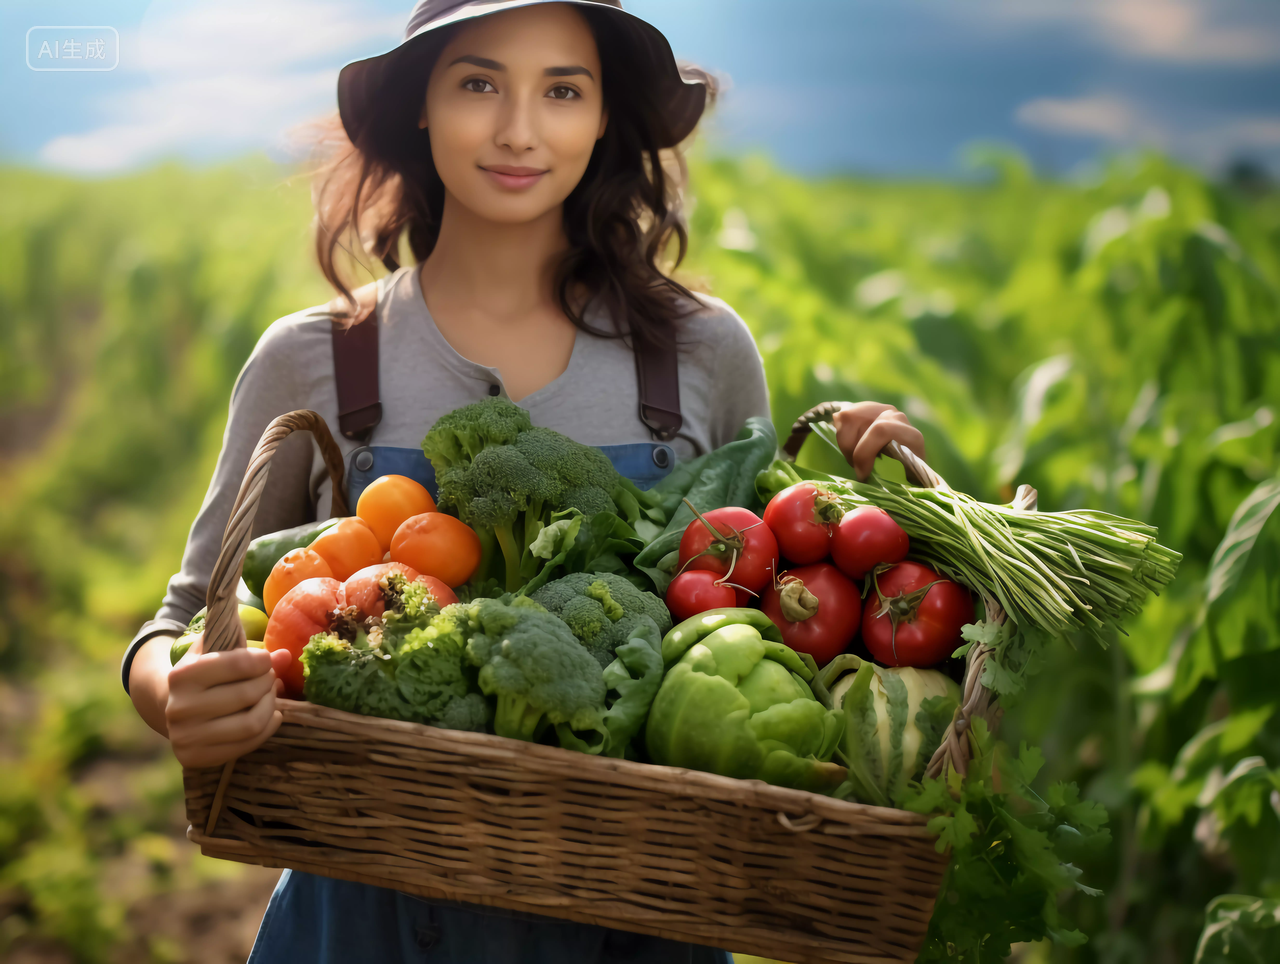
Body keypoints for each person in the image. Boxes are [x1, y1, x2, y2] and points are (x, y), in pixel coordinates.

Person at [121, 1, 926, 960]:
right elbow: (175, 624)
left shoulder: (701, 352)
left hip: (646, 917)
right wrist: (178, 696)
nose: (518, 130)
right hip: (367, 915)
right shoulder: (316, 358)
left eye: (562, 91)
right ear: (422, 103)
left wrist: (882, 506)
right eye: (479, 83)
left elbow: (771, 600)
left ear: (603, 115)